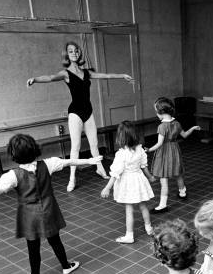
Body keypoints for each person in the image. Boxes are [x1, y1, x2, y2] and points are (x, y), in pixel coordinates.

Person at [0, 134, 102, 274]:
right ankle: (66, 266)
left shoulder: (12, 175)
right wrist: (90, 160)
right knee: (55, 240)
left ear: (13, 154)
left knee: (33, 246)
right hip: (49, 209)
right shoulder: (48, 164)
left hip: (29, 214)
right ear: (34, 148)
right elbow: (69, 161)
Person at [27, 41, 134, 192]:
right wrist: (35, 79)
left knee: (94, 144)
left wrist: (122, 75)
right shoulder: (65, 73)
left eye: (76, 51)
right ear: (67, 55)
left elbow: (105, 75)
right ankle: (72, 178)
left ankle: (100, 169)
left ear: (79, 53)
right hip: (75, 112)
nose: (74, 53)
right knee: (75, 146)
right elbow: (50, 77)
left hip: (88, 111)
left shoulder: (87, 72)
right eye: (71, 51)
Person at [100, 121, 155, 243]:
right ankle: (149, 228)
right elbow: (144, 166)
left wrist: (107, 187)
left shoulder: (121, 154)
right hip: (139, 179)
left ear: (120, 137)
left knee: (129, 209)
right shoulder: (140, 149)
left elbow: (115, 173)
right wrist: (150, 177)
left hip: (127, 183)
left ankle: (129, 236)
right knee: (143, 205)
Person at [146, 97, 200, 213]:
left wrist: (148, 150)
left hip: (164, 152)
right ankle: (182, 192)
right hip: (175, 150)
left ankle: (162, 205)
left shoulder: (161, 127)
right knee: (178, 173)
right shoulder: (176, 123)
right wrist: (193, 128)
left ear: (160, 113)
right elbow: (184, 135)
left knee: (163, 178)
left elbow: (159, 143)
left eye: (156, 111)